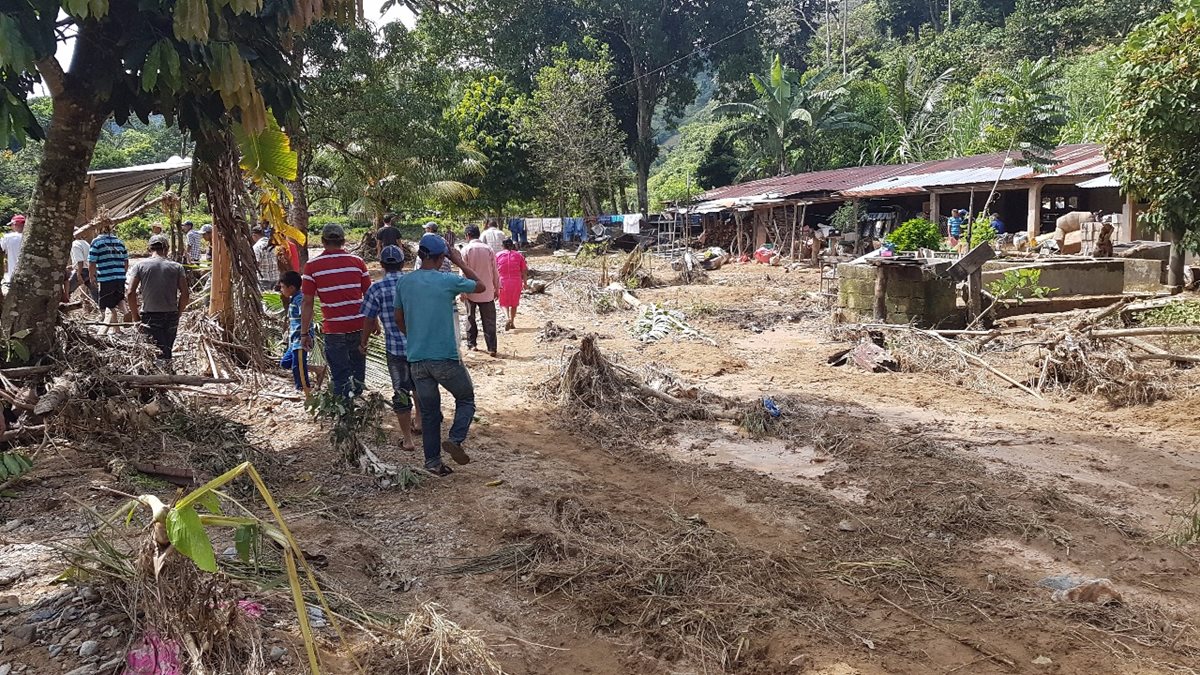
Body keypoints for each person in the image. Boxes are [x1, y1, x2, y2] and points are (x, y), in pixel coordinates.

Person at [394, 233, 485, 476]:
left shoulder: (404, 282)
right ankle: (455, 439)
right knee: (465, 399)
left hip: (417, 359)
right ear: (441, 257)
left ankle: (433, 463)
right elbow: (481, 286)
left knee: (430, 412)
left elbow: (398, 319)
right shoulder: (447, 280)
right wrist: (460, 262)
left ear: (421, 254)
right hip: (444, 357)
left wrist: (413, 337)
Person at [300, 224, 370, 400]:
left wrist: (303, 333)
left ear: (323, 242)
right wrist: (374, 322)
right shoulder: (358, 263)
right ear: (344, 241)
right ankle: (354, 404)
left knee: (340, 376)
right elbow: (369, 297)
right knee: (358, 373)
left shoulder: (312, 266)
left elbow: (307, 303)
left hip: (334, 329)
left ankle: (345, 414)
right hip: (358, 326)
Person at [361, 245, 419, 451]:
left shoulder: (376, 288)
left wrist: (363, 342)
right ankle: (420, 422)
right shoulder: (414, 283)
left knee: (400, 391)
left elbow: (368, 319)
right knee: (419, 385)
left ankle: (408, 440)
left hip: (395, 349)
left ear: (382, 265)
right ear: (403, 263)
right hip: (419, 346)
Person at [127, 234, 189, 360]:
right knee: (167, 348)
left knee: (156, 351)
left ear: (149, 249)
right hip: (171, 314)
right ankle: (168, 374)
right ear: (166, 249)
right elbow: (185, 293)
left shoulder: (140, 266)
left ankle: (162, 376)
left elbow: (130, 292)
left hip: (150, 315)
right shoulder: (177, 267)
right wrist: (179, 312)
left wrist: (135, 317)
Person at [460, 225, 501, 357]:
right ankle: (492, 348)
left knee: (470, 318)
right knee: (489, 320)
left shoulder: (466, 249)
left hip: (470, 289)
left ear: (467, 236)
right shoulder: (488, 249)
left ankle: (472, 345)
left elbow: (462, 272)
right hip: (487, 290)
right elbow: (495, 270)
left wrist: (462, 291)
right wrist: (497, 288)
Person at [88, 223, 129, 334]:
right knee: (119, 298)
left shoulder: (96, 242)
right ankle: (124, 315)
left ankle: (112, 329)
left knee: (107, 304)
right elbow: (126, 260)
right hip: (120, 276)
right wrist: (123, 273)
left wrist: (92, 276)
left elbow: (92, 262)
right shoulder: (119, 242)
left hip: (106, 277)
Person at [278, 271, 314, 393]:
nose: (281, 290)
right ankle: (317, 370)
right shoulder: (294, 299)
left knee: (297, 366)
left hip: (301, 338)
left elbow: (306, 312)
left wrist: (305, 334)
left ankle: (304, 387)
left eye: (283, 287)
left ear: (291, 287)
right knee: (285, 363)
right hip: (294, 340)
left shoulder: (300, 298)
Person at [496, 239, 528, 331]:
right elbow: (524, 271)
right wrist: (525, 283)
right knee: (514, 303)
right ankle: (512, 322)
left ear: (503, 246)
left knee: (503, 302)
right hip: (516, 281)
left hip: (503, 281)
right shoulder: (519, 256)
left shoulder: (498, 255)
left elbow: (493, 270)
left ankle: (507, 318)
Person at [252, 226, 279, 291]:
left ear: (254, 235)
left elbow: (257, 263)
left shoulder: (257, 247)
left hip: (263, 279)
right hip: (275, 277)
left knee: (265, 299)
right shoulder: (273, 244)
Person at [1, 214, 25, 286]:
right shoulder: (34, 239)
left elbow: (2, 248)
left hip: (14, 275)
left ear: (15, 224)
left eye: (11, 225)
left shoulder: (7, 237)